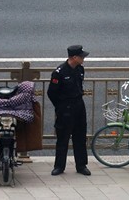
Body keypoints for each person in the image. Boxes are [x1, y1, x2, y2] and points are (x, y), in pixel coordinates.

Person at [47, 44, 91, 176]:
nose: (83, 59)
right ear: (74, 57)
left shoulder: (80, 69)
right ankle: (59, 166)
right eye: (82, 56)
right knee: (63, 138)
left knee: (80, 137)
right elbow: (51, 93)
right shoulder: (59, 72)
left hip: (78, 106)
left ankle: (81, 165)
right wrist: (60, 107)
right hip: (65, 108)